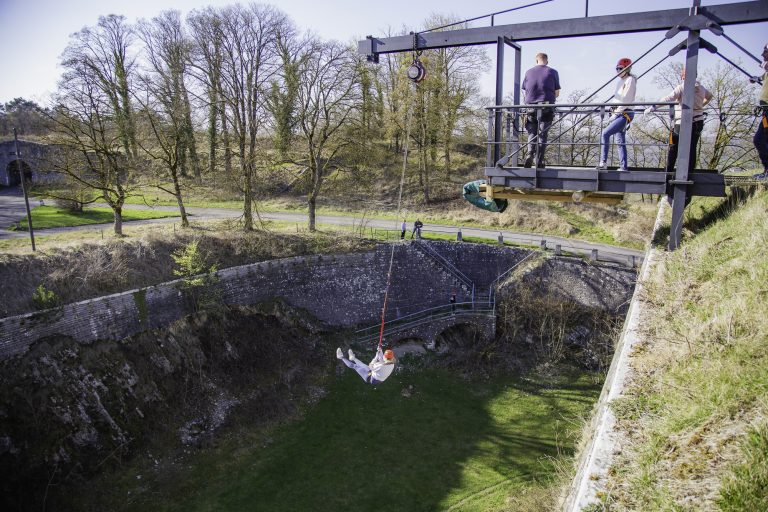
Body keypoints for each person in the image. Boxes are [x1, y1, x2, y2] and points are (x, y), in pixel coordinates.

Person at [645, 67, 713, 174]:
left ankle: (669, 171)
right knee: (692, 148)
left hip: (682, 123)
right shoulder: (701, 88)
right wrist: (701, 106)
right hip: (698, 122)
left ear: (683, 76)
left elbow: (668, 98)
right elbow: (710, 96)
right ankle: (689, 173)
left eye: (682, 75)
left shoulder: (682, 87)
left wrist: (653, 107)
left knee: (673, 145)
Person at [597, 58, 637, 171]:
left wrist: (617, 113)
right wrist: (612, 110)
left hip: (624, 113)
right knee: (620, 141)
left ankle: (603, 162)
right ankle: (623, 166)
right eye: (617, 69)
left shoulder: (630, 80)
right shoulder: (620, 82)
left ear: (627, 69)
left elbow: (626, 99)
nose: (618, 71)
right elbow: (618, 98)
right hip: (618, 112)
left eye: (620, 69)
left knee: (605, 134)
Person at [522, 52, 561, 168]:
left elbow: (525, 91)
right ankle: (539, 160)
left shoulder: (528, 72)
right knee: (542, 134)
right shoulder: (553, 72)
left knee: (532, 132)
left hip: (530, 107)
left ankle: (529, 153)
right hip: (546, 106)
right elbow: (557, 93)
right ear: (547, 61)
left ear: (536, 61)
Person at [751, 43, 768, 180]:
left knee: (760, 140)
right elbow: (764, 76)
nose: (762, 55)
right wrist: (756, 78)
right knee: (761, 139)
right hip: (765, 111)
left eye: (765, 52)